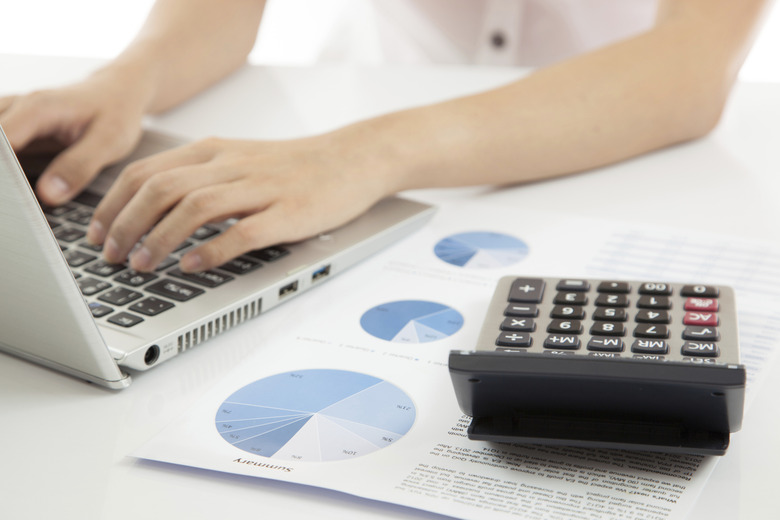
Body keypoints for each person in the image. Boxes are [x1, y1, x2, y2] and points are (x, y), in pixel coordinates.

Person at [0, 0, 769, 274]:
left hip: (612, 148)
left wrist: (359, 155)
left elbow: (692, 63)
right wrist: (127, 80)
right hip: (346, 117)